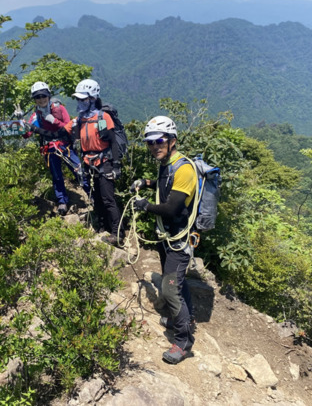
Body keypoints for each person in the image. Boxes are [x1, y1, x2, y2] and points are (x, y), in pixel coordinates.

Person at [130, 116, 197, 364]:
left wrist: (146, 206)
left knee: (169, 289)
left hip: (179, 240)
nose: (154, 146)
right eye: (150, 142)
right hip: (166, 238)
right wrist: (145, 183)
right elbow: (163, 186)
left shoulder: (185, 169)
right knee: (177, 282)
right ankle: (184, 319)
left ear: (172, 141)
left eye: (159, 141)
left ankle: (183, 342)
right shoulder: (167, 164)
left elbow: (171, 208)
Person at [28, 79, 123, 245]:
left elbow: (113, 141)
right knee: (98, 197)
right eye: (78, 99)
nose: (79, 102)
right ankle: (102, 225)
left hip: (104, 162)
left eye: (83, 99)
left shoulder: (102, 117)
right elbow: (57, 134)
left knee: (108, 198)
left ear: (92, 98)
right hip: (89, 162)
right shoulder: (79, 120)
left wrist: (116, 166)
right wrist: (35, 129)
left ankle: (117, 233)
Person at [23, 81, 89, 216]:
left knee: (79, 170)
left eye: (43, 96)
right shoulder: (36, 115)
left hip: (65, 146)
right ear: (34, 99)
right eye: (37, 97)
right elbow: (27, 134)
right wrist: (20, 124)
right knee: (57, 176)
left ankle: (92, 195)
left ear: (48, 96)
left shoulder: (59, 108)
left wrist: (53, 120)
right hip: (50, 149)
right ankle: (62, 201)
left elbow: (68, 126)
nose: (41, 99)